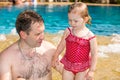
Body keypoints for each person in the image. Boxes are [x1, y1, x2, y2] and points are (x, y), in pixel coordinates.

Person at [0, 10, 62, 80]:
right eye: (38, 34)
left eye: (43, 32)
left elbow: (68, 72)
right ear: (23, 35)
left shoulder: (49, 50)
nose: (43, 37)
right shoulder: (6, 58)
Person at [52, 2, 98, 80]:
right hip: (68, 66)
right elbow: (61, 45)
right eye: (70, 20)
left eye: (75, 21)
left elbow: (94, 55)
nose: (72, 23)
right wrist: (55, 57)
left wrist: (91, 71)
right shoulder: (68, 31)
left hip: (82, 68)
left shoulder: (90, 37)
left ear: (85, 19)